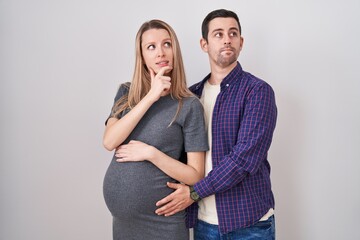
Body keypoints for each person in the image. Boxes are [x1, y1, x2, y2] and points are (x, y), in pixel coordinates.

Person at [155, 9, 277, 239]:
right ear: (204, 44)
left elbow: (243, 159)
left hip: (249, 223)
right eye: (218, 34)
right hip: (203, 223)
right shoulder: (191, 96)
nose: (227, 39)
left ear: (241, 42)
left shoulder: (258, 92)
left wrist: (193, 193)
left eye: (233, 33)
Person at [102, 19, 208, 240]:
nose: (160, 52)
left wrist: (151, 154)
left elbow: (195, 176)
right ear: (142, 56)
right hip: (124, 225)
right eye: (151, 47)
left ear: (174, 51)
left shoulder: (189, 105)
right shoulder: (125, 93)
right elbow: (109, 141)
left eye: (166, 44)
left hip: (163, 223)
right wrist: (151, 96)